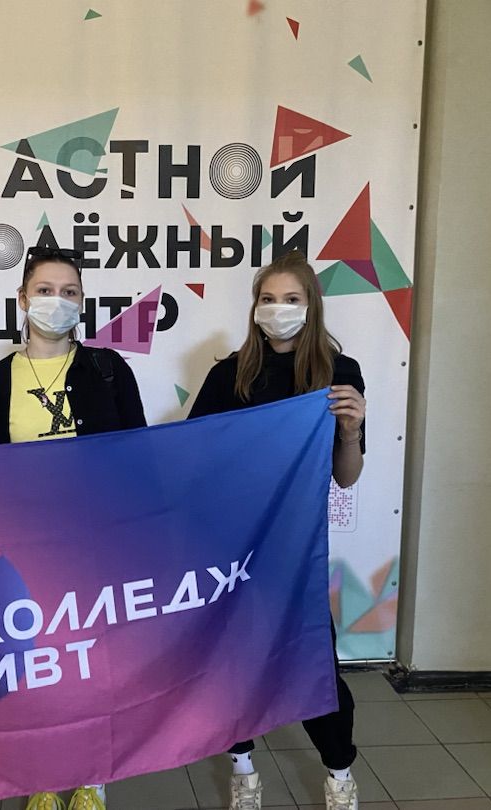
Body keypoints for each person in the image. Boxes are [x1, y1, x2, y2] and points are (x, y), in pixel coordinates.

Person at [0, 245, 147, 810]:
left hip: (97, 544)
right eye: (45, 290)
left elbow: (139, 458)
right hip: (24, 547)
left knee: (94, 662)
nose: (57, 301)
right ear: (22, 299)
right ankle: (42, 774)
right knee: (36, 662)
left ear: (82, 302)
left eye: (69, 292)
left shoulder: (108, 370)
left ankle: (92, 776)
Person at [187, 250, 367, 810]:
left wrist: (351, 430)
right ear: (254, 306)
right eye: (268, 299)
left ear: (312, 306)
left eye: (291, 299)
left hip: (298, 550)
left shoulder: (339, 374)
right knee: (235, 663)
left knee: (314, 665)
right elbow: (191, 457)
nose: (278, 308)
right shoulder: (228, 374)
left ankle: (339, 772)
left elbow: (346, 475)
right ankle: (243, 770)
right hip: (233, 548)